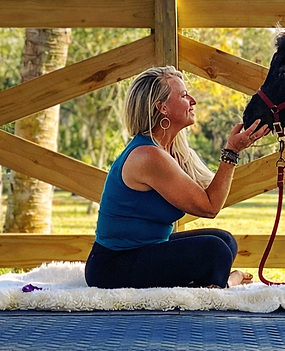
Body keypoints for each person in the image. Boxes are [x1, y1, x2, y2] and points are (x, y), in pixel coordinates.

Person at [84, 65, 270, 289]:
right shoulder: (148, 155)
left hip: (147, 249)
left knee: (225, 240)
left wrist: (236, 147)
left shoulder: (170, 150)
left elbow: (210, 195)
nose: (193, 100)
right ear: (161, 108)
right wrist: (231, 151)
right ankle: (226, 282)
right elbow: (209, 207)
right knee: (215, 251)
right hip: (112, 267)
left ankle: (213, 282)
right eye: (183, 95)